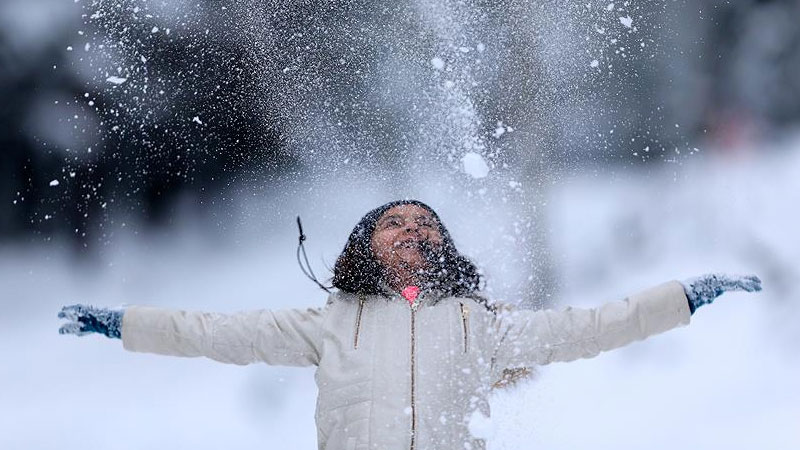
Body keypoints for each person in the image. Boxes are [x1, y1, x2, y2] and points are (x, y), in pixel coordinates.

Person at [58, 199, 762, 450]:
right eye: (393, 222)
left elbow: (592, 326)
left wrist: (684, 297)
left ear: (444, 248)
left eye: (426, 224)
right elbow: (211, 331)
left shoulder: (479, 326)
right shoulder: (328, 322)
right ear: (365, 245)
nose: (411, 230)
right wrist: (123, 323)